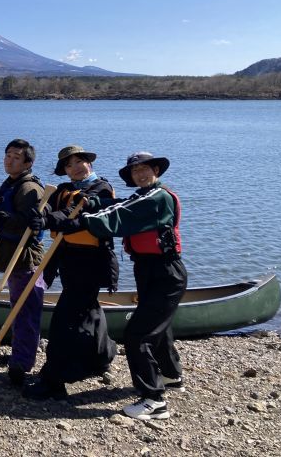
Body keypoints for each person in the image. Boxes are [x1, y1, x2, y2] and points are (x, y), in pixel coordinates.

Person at [37, 151, 186, 420]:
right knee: (158, 329)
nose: (140, 174)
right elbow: (115, 203)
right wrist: (94, 202)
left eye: (145, 169)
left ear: (156, 170)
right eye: (135, 171)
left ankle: (154, 400)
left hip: (165, 272)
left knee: (138, 335)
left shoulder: (157, 197)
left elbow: (118, 214)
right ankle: (170, 375)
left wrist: (78, 220)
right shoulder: (142, 195)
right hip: (149, 270)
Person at [22, 145, 119, 401]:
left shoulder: (101, 189)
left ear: (88, 162)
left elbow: (76, 215)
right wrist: (39, 216)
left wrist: (49, 221)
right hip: (68, 259)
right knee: (90, 310)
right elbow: (50, 209)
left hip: (91, 261)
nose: (75, 167)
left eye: (79, 162)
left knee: (64, 320)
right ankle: (102, 358)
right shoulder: (64, 188)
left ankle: (54, 379)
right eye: (69, 164)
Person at [0, 138, 47, 386]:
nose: (9, 160)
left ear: (28, 162)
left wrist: (6, 218)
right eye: (7, 155)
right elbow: (8, 215)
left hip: (25, 259)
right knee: (17, 307)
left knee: (26, 310)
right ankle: (20, 353)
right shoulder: (11, 184)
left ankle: (22, 363)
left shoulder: (30, 189)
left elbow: (32, 226)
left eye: (16, 157)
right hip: (12, 255)